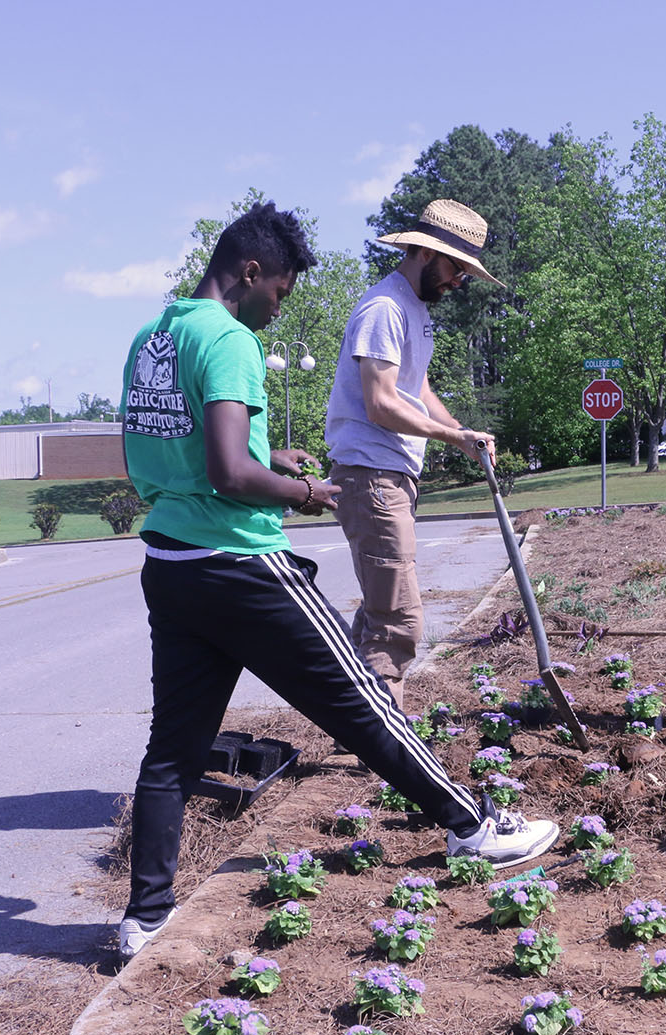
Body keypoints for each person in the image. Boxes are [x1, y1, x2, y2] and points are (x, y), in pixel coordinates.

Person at [116, 202, 555, 961]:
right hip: (242, 560)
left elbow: (183, 458)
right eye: (281, 293)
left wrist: (271, 461)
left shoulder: (154, 334)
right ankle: (473, 828)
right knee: (359, 700)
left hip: (173, 564)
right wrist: (305, 493)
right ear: (251, 272)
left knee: (173, 752)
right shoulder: (228, 337)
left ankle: (144, 919)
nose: (277, 310)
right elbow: (229, 472)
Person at [323, 199, 502, 712]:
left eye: (466, 271)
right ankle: (389, 740)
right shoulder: (384, 309)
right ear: (424, 252)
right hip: (371, 475)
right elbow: (380, 403)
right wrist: (453, 440)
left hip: (391, 475)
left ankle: (357, 719)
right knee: (398, 619)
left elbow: (414, 387)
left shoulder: (413, 310)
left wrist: (460, 430)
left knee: (379, 613)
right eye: (455, 268)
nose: (459, 281)